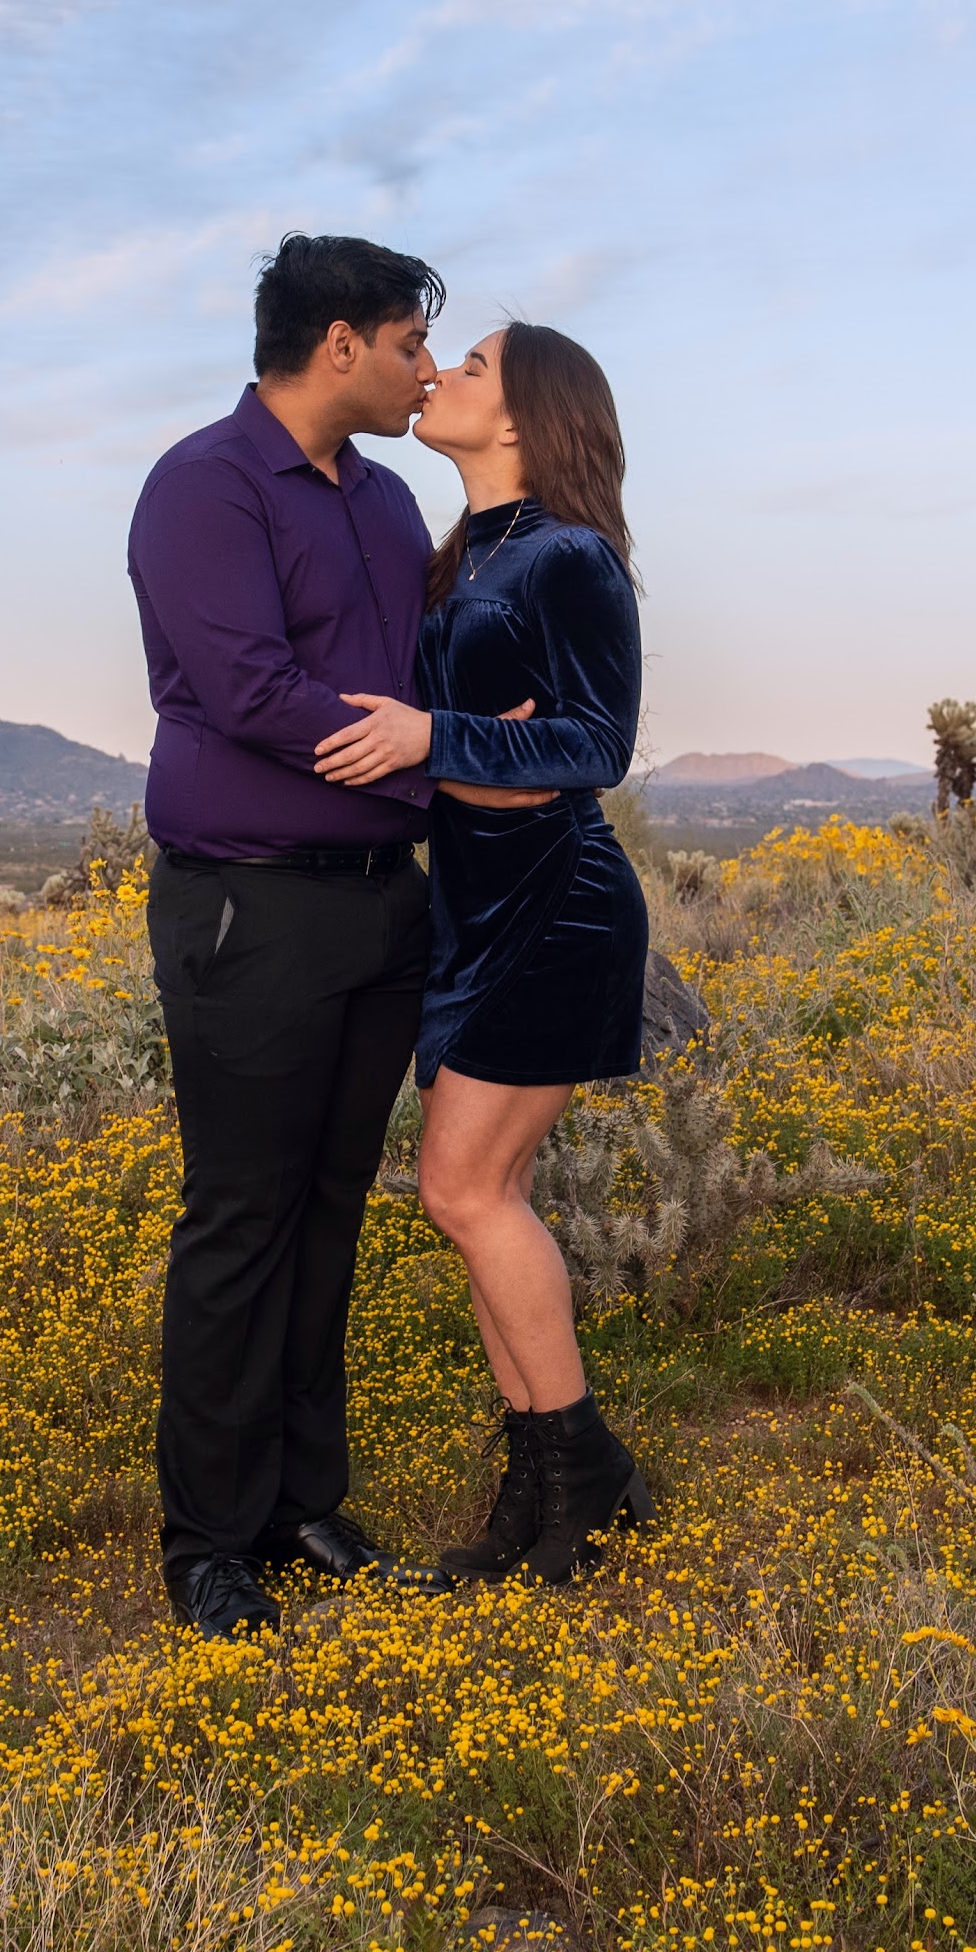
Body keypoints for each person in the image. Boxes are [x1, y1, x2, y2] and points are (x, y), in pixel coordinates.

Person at [124, 233, 446, 1640]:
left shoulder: (383, 507)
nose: (426, 370)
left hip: (383, 904)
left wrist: (454, 757)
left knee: (328, 1207)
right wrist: (457, 774)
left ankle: (303, 1497)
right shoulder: (203, 486)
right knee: (241, 1218)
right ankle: (208, 1539)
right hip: (251, 906)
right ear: (338, 344)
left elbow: (417, 682)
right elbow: (253, 691)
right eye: (408, 343)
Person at [312, 324, 653, 1586]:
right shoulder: (468, 555)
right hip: (475, 906)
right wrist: (453, 738)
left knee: (465, 1191)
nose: (440, 375)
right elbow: (474, 740)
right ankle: (541, 1481)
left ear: (521, 417)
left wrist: (436, 734)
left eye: (469, 365)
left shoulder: (568, 558)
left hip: (553, 908)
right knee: (467, 1198)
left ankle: (587, 1475)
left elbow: (593, 743)